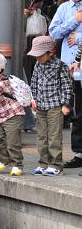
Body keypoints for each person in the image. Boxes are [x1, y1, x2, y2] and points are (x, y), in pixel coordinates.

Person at [48, 0, 82, 169]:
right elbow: (54, 33)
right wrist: (75, 20)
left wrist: (78, 38)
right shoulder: (63, 9)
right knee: (74, 111)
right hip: (69, 68)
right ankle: (78, 152)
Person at [28, 36, 72, 176]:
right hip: (40, 105)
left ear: (51, 52)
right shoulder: (37, 65)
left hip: (55, 106)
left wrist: (65, 104)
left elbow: (66, 85)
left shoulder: (60, 65)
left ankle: (56, 164)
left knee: (54, 136)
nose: (38, 58)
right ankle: (43, 162)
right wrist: (32, 99)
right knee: (41, 136)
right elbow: (33, 82)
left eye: (40, 55)